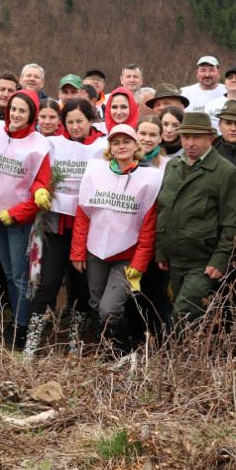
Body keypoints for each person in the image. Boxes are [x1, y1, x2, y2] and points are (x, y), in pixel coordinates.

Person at [70, 123, 162, 351]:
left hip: (127, 256)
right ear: (109, 147)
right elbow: (83, 214)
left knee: (109, 308)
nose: (121, 146)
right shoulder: (95, 172)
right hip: (95, 251)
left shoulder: (149, 178)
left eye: (127, 141)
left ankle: (122, 351)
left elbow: (149, 226)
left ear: (135, 145)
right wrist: (78, 251)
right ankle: (110, 348)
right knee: (96, 303)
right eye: (116, 142)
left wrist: (140, 263)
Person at [23, 98, 101, 356]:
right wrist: (40, 191)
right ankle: (32, 339)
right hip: (57, 226)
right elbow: (38, 177)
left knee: (80, 287)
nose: (75, 126)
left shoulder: (102, 147)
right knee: (49, 282)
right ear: (62, 123)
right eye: (70, 121)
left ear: (91, 121)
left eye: (80, 121)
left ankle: (75, 340)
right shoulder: (53, 145)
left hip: (88, 230)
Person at [155, 111, 236, 328]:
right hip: (175, 259)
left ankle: (177, 359)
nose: (190, 143)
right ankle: (191, 357)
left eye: (197, 137)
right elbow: (164, 209)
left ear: (210, 139)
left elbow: (232, 221)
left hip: (202, 262)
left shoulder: (225, 172)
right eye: (186, 137)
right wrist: (160, 249)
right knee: (182, 311)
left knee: (183, 314)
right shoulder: (173, 166)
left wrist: (220, 259)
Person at [0, 90, 53, 348]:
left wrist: (15, 214)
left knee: (19, 276)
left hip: (19, 220)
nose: (15, 114)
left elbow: (40, 183)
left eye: (22, 110)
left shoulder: (39, 144)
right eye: (13, 109)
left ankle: (22, 325)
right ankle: (16, 319)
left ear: (31, 115)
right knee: (8, 271)